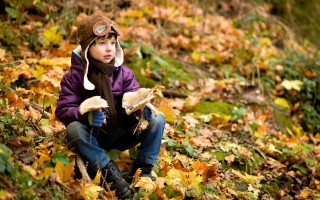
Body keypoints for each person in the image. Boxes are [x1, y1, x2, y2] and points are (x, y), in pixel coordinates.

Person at [55, 12, 165, 199]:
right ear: (88, 46)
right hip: (93, 136)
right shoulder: (74, 77)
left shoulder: (124, 74)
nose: (109, 49)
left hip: (120, 132)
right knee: (73, 129)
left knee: (157, 119)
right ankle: (108, 171)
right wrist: (84, 114)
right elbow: (63, 110)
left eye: (113, 43)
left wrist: (138, 107)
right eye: (102, 43)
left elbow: (133, 96)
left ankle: (143, 170)